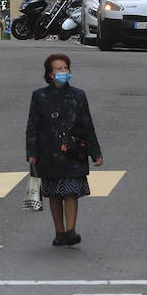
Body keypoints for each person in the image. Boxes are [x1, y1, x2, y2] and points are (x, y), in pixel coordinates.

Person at [26, 53, 103, 247]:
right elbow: (32, 126)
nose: (63, 72)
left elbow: (87, 125)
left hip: (73, 151)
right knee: (53, 194)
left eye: (65, 68)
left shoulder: (79, 95)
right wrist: (32, 153)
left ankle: (71, 231)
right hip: (48, 152)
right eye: (58, 69)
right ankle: (59, 232)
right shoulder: (39, 96)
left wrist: (96, 152)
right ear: (50, 74)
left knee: (71, 192)